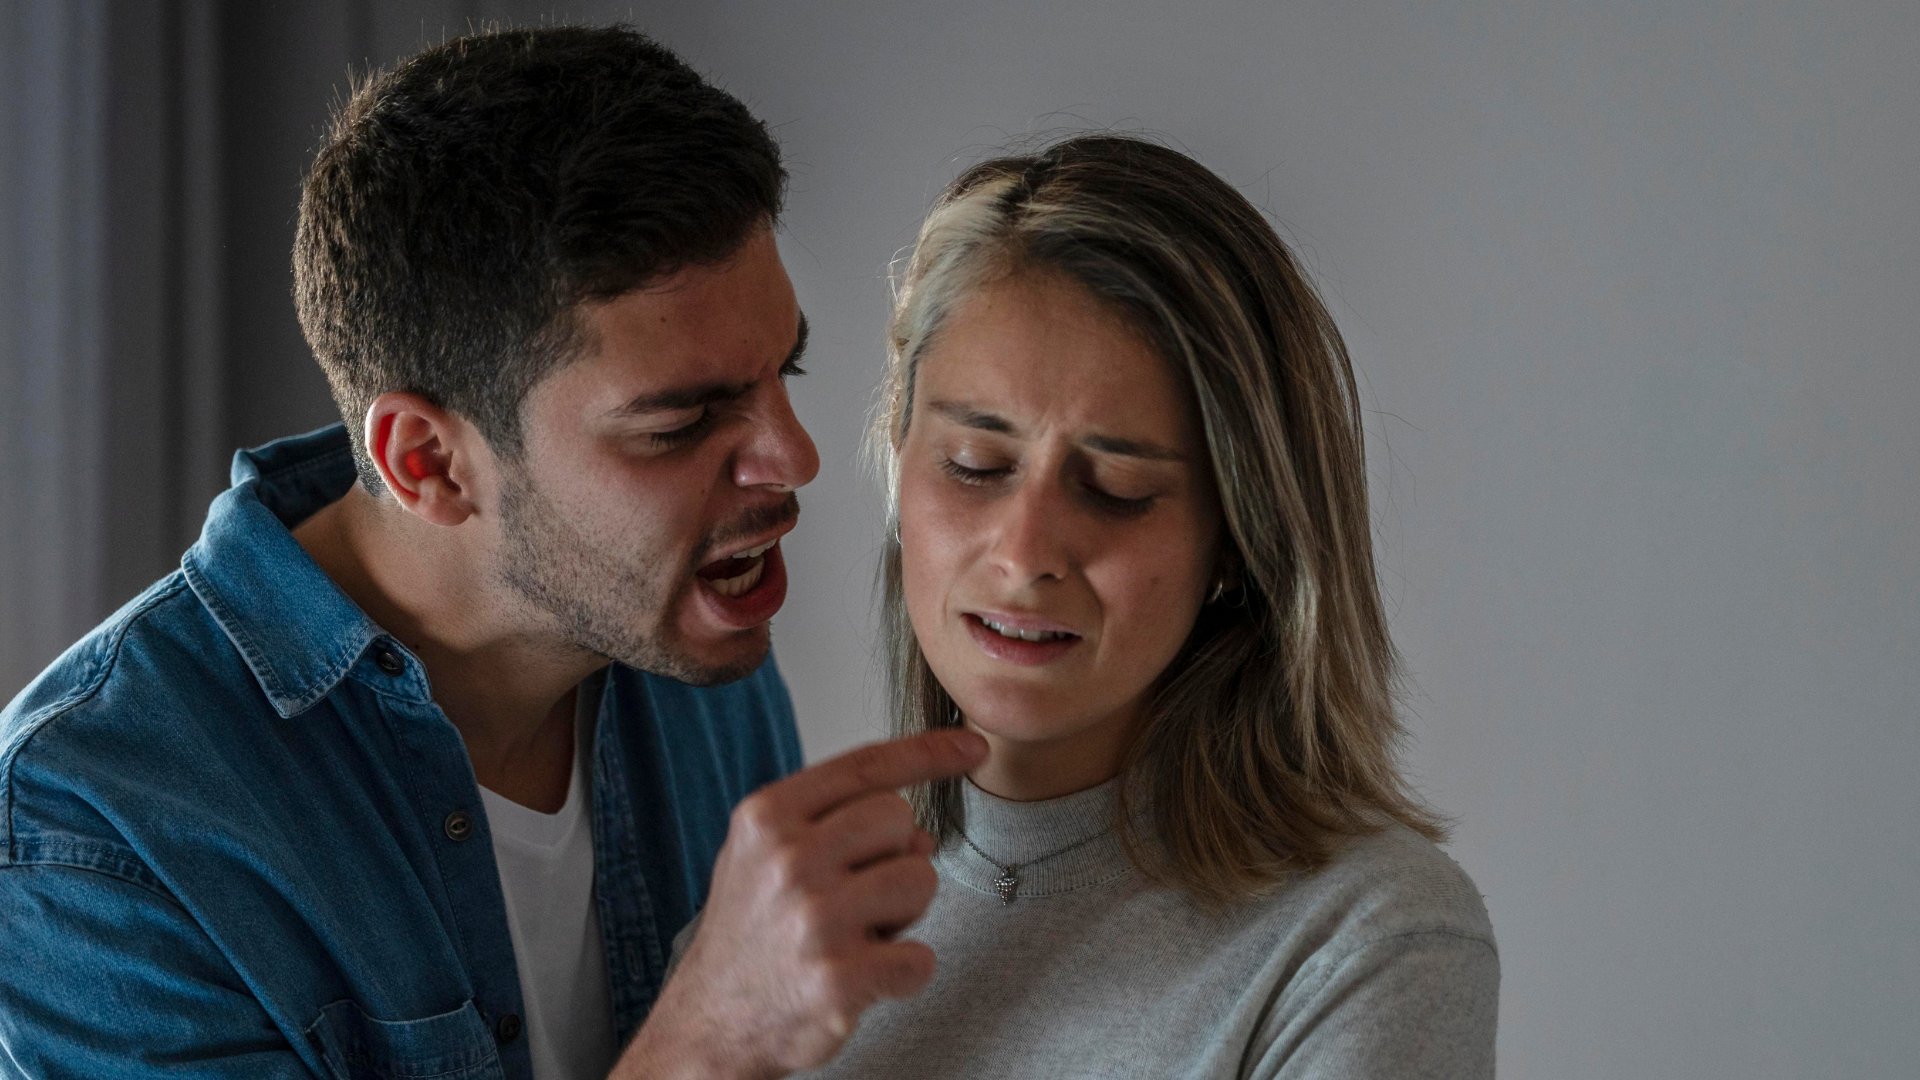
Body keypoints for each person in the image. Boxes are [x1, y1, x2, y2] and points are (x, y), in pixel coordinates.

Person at [0, 25, 983, 1080]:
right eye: (681, 424)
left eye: (782, 370)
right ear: (428, 463)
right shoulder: (95, 827)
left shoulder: (688, 633)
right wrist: (711, 1041)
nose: (793, 458)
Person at [807, 135, 1500, 1076]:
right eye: (977, 467)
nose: (1023, 553)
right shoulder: (780, 913)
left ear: (1238, 536)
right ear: (899, 458)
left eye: (1119, 488)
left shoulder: (1369, 937)